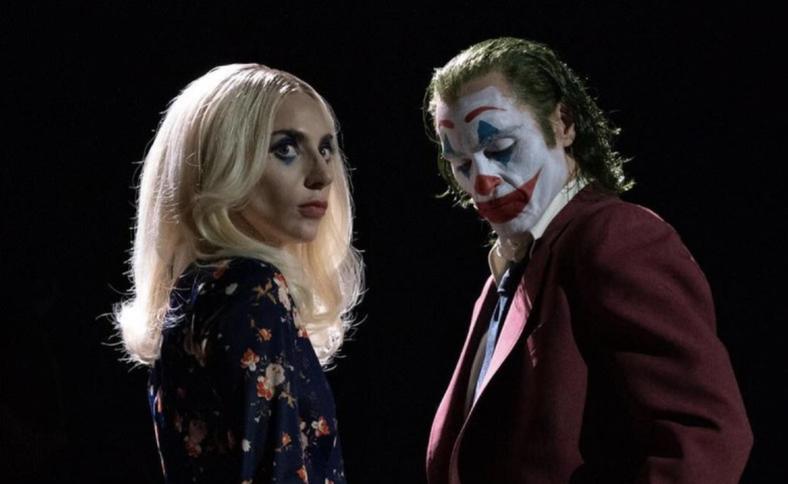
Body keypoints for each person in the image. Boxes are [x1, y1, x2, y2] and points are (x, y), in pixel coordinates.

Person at [423, 38, 752, 483]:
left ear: (563, 123)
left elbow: (704, 436)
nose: (482, 181)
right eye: (461, 163)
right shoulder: (508, 273)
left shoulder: (612, 237)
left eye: (499, 148)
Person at [115, 64, 363, 483]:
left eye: (326, 149)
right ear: (222, 161)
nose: (322, 176)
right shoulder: (253, 290)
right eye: (286, 148)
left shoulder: (198, 291)